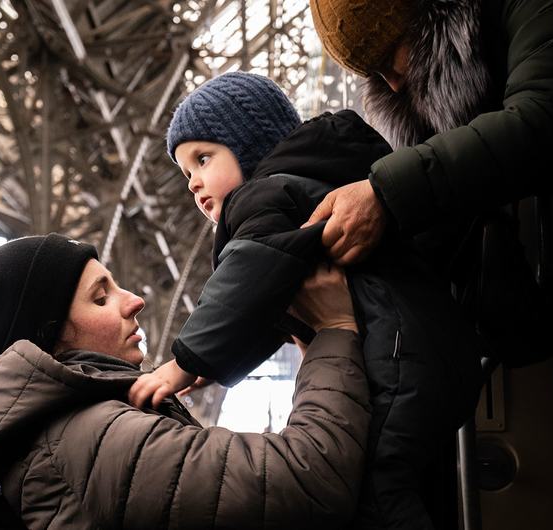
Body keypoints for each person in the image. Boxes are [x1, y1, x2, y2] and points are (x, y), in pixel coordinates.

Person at [307, 1, 553, 529]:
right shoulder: (482, 50)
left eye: (391, 57)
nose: (391, 84)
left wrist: (387, 194)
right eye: (374, 75)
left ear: (432, 19)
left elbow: (547, 115)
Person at [131, 71, 483, 529]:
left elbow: (246, 278)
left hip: (393, 364)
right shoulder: (311, 186)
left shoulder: (265, 197)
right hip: (426, 356)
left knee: (375, 490)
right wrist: (212, 365)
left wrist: (182, 361)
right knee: (413, 483)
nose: (195, 183)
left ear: (251, 143)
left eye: (204, 158)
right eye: (187, 173)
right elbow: (267, 307)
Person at [0, 233, 369, 528]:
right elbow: (314, 477)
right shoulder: (91, 440)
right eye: (101, 297)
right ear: (49, 338)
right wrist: (334, 330)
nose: (135, 301)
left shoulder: (56, 437)